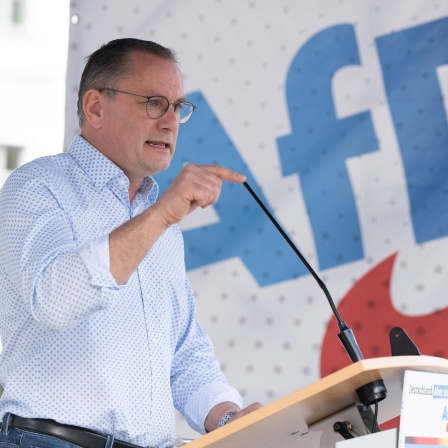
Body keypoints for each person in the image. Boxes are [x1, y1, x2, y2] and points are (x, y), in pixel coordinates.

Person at [0, 38, 261, 448]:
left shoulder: (161, 224)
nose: (170, 121)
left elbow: (183, 351)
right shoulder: (37, 187)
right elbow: (55, 299)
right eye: (154, 102)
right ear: (95, 107)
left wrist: (228, 417)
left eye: (177, 107)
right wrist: (160, 216)